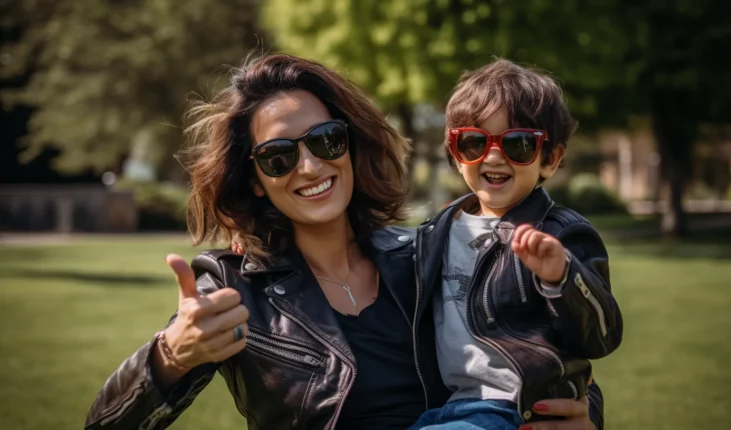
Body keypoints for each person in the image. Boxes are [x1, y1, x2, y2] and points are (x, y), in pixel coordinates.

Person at [85, 53, 605, 430]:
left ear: (351, 145)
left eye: (326, 140)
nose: (310, 166)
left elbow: (530, 351)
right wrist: (171, 357)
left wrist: (585, 418)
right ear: (255, 178)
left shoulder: (423, 256)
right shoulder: (233, 289)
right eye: (279, 157)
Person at [405, 59, 623, 430]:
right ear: (456, 155)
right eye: (474, 142)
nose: (492, 156)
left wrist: (562, 278)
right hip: (445, 409)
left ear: (550, 160)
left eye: (517, 144)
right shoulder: (433, 233)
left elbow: (602, 336)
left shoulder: (560, 234)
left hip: (514, 411)